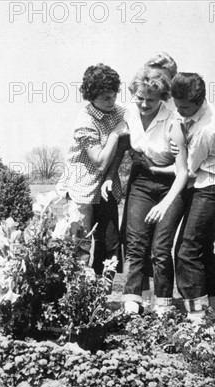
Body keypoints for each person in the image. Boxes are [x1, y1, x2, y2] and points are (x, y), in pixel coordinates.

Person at [103, 67, 188, 315]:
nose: (144, 104)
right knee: (135, 242)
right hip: (141, 180)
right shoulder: (129, 113)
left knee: (160, 248)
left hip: (170, 184)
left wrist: (164, 204)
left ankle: (163, 302)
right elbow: (121, 145)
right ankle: (132, 299)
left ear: (161, 98)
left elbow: (182, 171)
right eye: (140, 98)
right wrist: (111, 175)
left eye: (150, 100)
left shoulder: (173, 122)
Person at [170, 72, 215, 323]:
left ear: (199, 101)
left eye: (184, 107)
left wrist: (156, 166)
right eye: (177, 105)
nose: (179, 111)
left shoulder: (207, 129)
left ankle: (196, 314)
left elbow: (187, 170)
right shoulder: (193, 113)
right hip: (209, 186)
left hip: (210, 189)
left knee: (187, 250)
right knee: (204, 250)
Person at [57, 63, 128, 275]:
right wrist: (116, 133)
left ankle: (101, 298)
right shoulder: (85, 121)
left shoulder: (120, 112)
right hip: (82, 189)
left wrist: (110, 176)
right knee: (80, 245)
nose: (112, 101)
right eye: (105, 98)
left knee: (110, 245)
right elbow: (99, 161)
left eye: (114, 95)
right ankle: (77, 300)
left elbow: (121, 150)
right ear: (91, 96)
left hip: (106, 186)